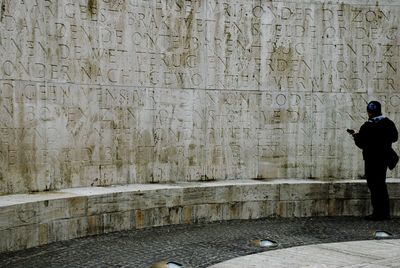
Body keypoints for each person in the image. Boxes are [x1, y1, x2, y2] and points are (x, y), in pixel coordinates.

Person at [349, 101, 398, 221]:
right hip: (384, 159)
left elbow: (362, 144)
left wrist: (356, 135)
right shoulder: (388, 123)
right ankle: (385, 213)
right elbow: (395, 138)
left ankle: (377, 213)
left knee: (374, 186)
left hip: (371, 160)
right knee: (381, 185)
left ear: (369, 112)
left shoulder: (367, 126)